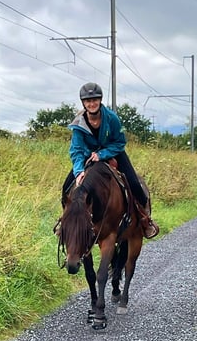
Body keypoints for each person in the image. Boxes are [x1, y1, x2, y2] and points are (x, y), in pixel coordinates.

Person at [59, 82, 159, 238]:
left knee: (134, 184)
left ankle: (145, 220)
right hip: (88, 156)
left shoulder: (112, 118)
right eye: (88, 101)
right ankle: (67, 222)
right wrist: (78, 171)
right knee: (66, 187)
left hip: (114, 153)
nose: (91, 103)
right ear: (83, 103)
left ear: (100, 100)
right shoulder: (78, 124)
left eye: (95, 100)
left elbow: (120, 142)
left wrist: (103, 154)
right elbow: (76, 150)